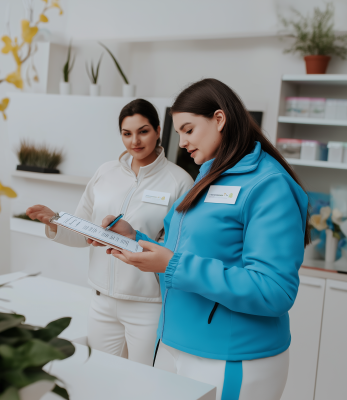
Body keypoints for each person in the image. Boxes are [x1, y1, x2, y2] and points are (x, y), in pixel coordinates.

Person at [92, 79, 309, 400]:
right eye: (178, 132)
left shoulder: (268, 184)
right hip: (175, 344)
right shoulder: (207, 177)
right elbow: (183, 254)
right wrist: (134, 239)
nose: (181, 142)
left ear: (219, 119)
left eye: (188, 130)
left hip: (231, 355)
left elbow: (274, 290)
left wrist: (174, 264)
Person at [26, 99, 193, 365]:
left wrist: (133, 237)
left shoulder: (180, 181)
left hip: (147, 305)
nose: (134, 141)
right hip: (101, 302)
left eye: (143, 131)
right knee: (101, 379)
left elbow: (177, 248)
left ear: (158, 130)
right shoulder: (105, 173)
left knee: (143, 384)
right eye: (127, 134)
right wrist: (55, 222)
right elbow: (83, 233)